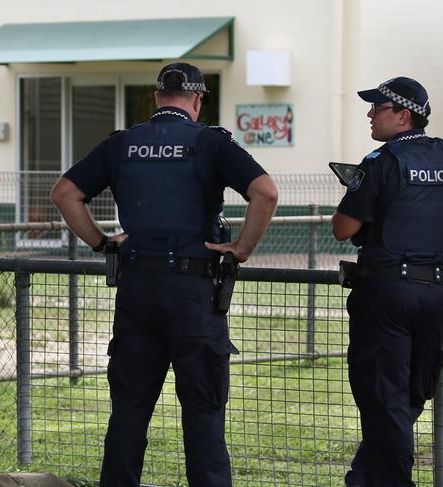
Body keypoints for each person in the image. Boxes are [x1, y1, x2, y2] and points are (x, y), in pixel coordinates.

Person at [51, 62, 277, 487]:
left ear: (156, 98)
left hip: (137, 292)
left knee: (129, 412)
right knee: (203, 414)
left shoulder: (123, 144)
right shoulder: (210, 143)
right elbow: (265, 191)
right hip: (194, 295)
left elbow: (65, 193)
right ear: (196, 100)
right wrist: (241, 249)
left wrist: (101, 242)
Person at [332, 76, 443, 486]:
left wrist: (360, 197)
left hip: (386, 296)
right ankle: (364, 480)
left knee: (386, 403)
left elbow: (343, 228)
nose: (369, 114)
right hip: (436, 296)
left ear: (403, 116)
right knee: (403, 402)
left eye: (377, 108)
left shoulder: (380, 162)